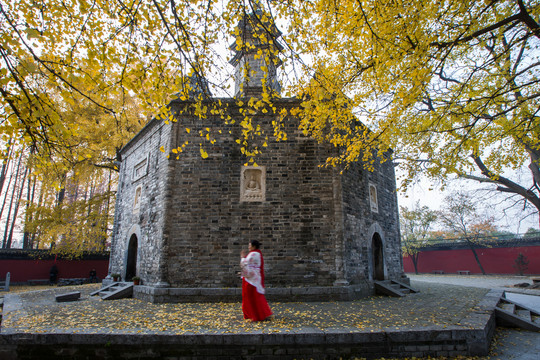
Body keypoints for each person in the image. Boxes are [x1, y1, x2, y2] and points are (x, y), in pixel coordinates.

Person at [240, 240, 273, 321]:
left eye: (249, 245)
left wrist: (242, 258)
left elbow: (245, 263)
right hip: (255, 278)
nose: (248, 247)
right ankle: (262, 313)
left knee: (252, 297)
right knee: (257, 296)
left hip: (252, 280)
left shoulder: (253, 254)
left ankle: (255, 315)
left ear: (254, 246)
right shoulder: (258, 253)